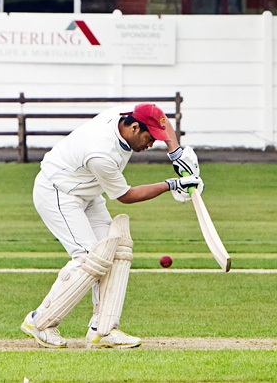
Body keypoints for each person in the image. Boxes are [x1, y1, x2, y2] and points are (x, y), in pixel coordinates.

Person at [21, 103, 202, 349]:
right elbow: (126, 196)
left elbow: (160, 118)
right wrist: (172, 184)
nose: (151, 144)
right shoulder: (101, 153)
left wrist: (176, 152)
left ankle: (102, 329)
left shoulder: (127, 114)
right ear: (135, 127)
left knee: (116, 252)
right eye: (150, 139)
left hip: (88, 190)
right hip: (58, 191)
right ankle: (39, 321)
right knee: (89, 259)